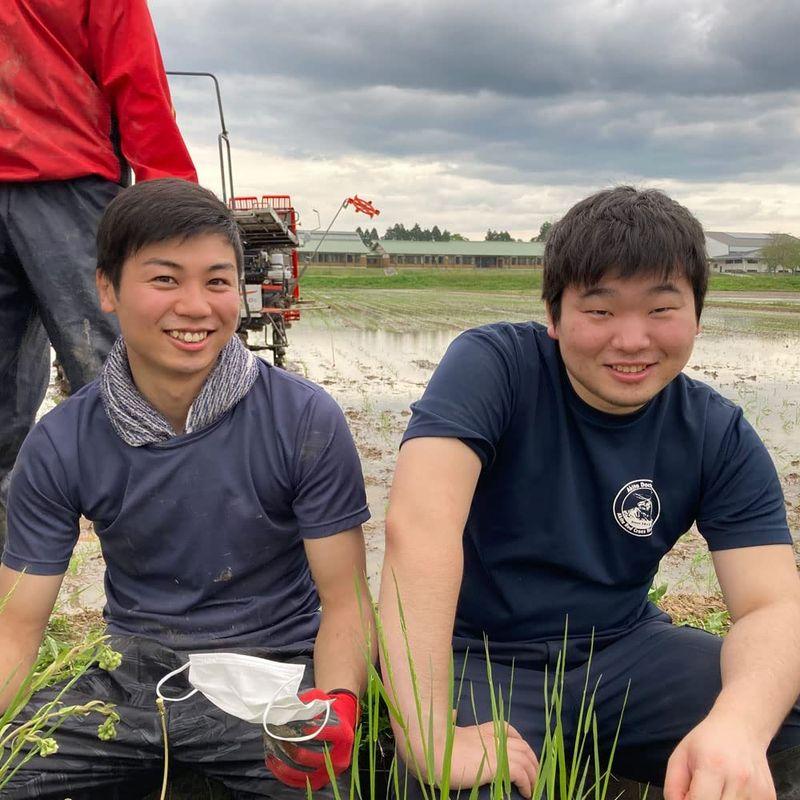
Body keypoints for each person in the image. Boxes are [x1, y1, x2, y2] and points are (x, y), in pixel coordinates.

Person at [380, 186, 800, 800]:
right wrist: (426, 735)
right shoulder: (494, 366)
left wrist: (737, 727)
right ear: (554, 316)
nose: (631, 341)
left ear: (697, 316)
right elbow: (418, 530)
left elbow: (774, 607)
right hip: (484, 659)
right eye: (600, 311)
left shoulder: (714, 431)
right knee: (456, 787)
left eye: (661, 310)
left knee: (777, 712)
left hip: (625, 652)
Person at [0, 179, 373, 799]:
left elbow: (346, 600)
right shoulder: (63, 440)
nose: (196, 306)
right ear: (106, 289)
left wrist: (333, 707)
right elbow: (17, 625)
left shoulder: (303, 420)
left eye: (218, 281)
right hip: (136, 678)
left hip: (275, 674)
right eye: (165, 279)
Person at [0, 0, 198, 547]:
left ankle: (166, 587)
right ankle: (13, 596)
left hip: (68, 181)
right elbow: (138, 79)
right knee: (127, 386)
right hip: (68, 182)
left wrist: (169, 205)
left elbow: (134, 76)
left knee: (125, 390)